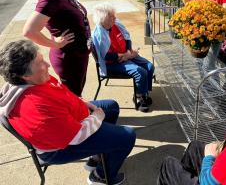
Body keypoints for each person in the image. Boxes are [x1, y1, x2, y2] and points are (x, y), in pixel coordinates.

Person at [0, 40, 136, 185]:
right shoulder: (35, 106)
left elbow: (62, 94)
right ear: (25, 76)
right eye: (40, 63)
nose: (47, 65)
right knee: (127, 136)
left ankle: (98, 155)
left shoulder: (34, 80)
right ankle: (100, 176)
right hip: (61, 148)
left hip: (71, 118)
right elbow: (76, 136)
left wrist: (84, 103)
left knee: (112, 106)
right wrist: (97, 115)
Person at [23, 0, 90, 96]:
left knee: (76, 95)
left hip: (78, 56)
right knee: (72, 97)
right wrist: (55, 43)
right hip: (69, 60)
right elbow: (29, 31)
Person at [92, 4, 154, 113]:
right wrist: (124, 56)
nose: (115, 18)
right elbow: (105, 56)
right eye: (112, 16)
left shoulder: (115, 24)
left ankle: (144, 92)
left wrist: (129, 52)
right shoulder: (99, 34)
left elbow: (127, 37)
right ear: (104, 20)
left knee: (150, 66)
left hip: (125, 54)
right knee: (140, 72)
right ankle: (138, 97)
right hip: (112, 62)